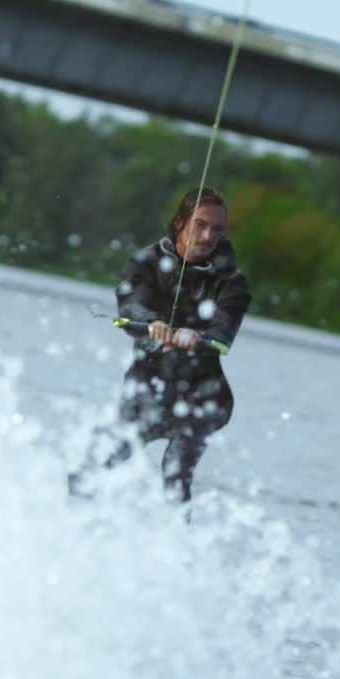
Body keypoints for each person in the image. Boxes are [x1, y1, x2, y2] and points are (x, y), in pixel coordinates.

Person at [72, 187, 252, 503]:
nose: (208, 235)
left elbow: (223, 334)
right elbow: (131, 309)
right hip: (148, 389)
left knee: (175, 470)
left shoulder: (233, 283)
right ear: (180, 223)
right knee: (100, 463)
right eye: (200, 224)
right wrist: (153, 327)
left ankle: (180, 546)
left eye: (216, 229)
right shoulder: (144, 263)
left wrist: (197, 339)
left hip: (202, 397)